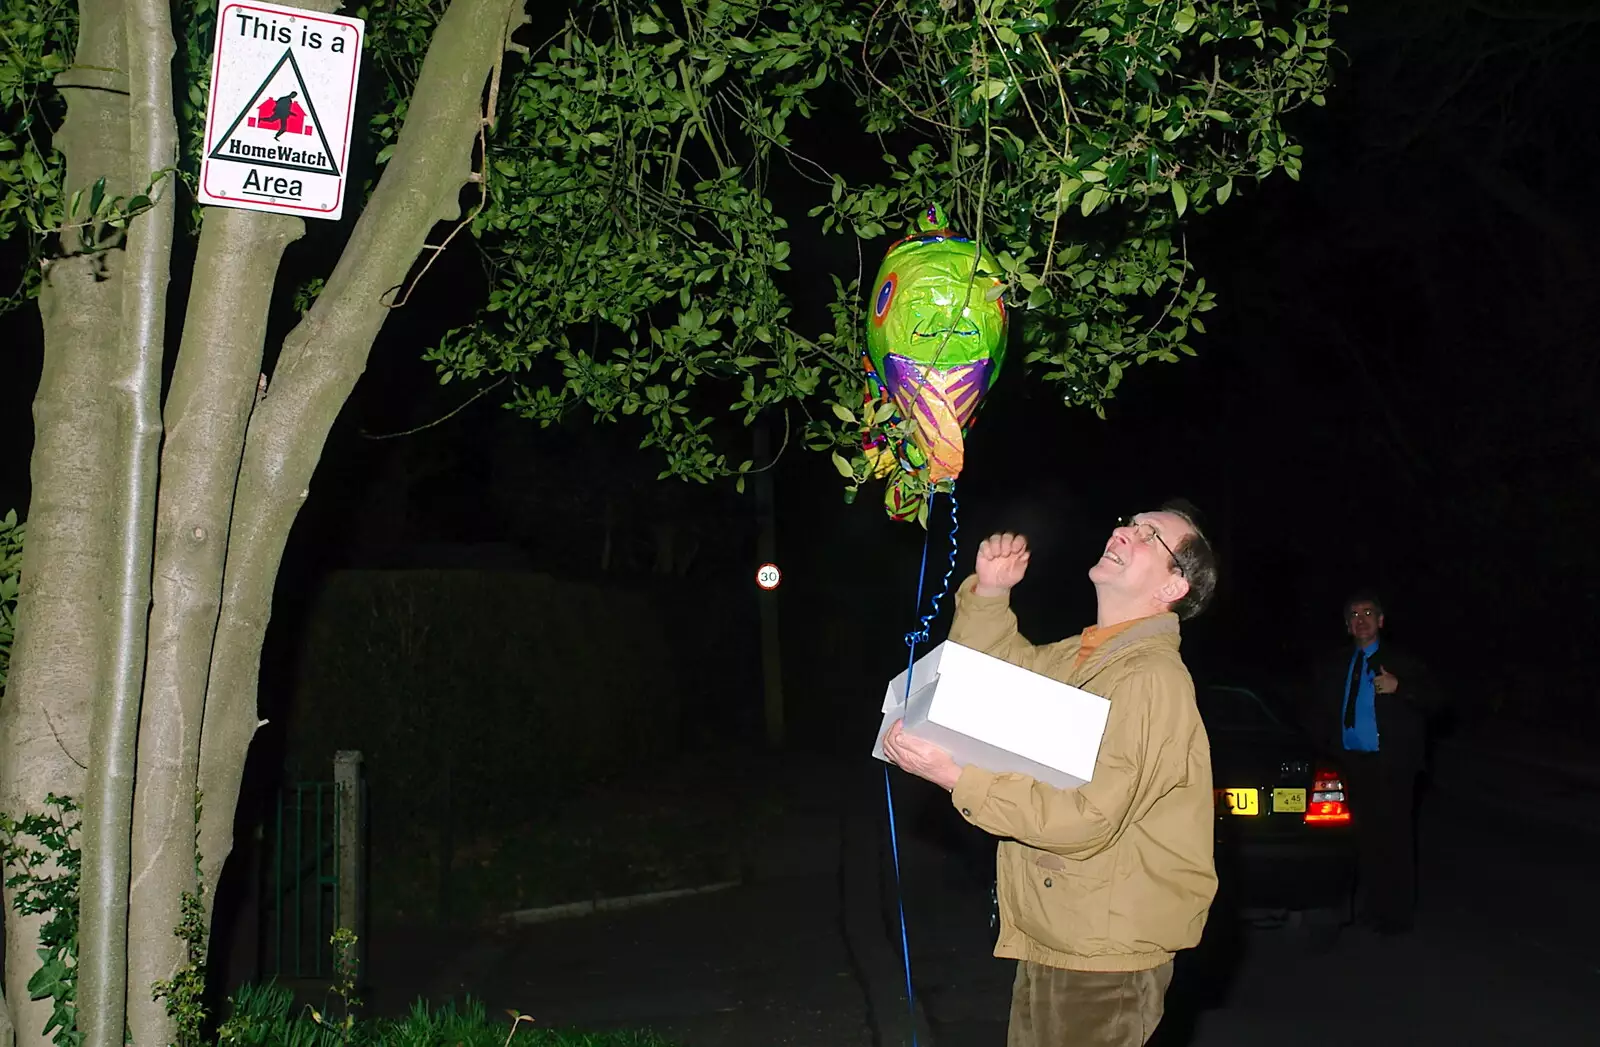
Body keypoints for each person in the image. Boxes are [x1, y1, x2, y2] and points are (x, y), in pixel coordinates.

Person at [882, 504, 1220, 1047]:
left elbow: (1086, 818)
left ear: (1173, 587)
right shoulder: (1082, 657)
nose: (1122, 532)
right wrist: (990, 594)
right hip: (1058, 935)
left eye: (1147, 535)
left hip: (1103, 958)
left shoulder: (1151, 679)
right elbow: (992, 680)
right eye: (1127, 522)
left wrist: (955, 777)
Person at [1309, 593, 1443, 935]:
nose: (1361, 619)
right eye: (1354, 614)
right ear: (1347, 624)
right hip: (1349, 764)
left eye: (1368, 613)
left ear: (1381, 621)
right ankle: (1370, 908)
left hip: (1392, 764)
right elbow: (1320, 711)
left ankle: (1396, 916)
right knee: (1362, 840)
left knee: (1394, 841)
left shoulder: (1401, 661)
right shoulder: (1336, 664)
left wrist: (1402, 687)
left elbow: (1438, 701)